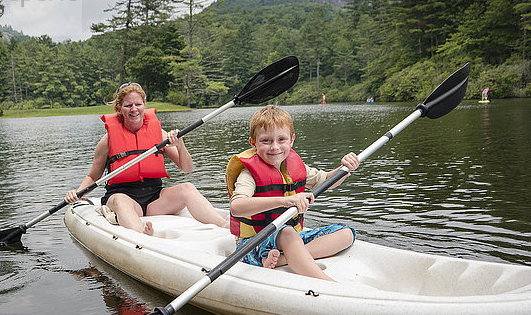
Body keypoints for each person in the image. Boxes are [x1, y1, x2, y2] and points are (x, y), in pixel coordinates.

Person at [65, 82, 229, 235]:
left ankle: (224, 226)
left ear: (144, 105)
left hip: (154, 201)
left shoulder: (160, 134)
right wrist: (78, 193)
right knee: (119, 200)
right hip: (125, 199)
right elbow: (94, 176)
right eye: (128, 105)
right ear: (119, 108)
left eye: (138, 104)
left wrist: (180, 145)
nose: (134, 109)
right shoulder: (107, 140)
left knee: (187, 188)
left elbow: (187, 168)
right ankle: (141, 236)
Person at [226, 105, 360, 282]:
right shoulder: (248, 174)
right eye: (266, 141)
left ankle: (283, 259)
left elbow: (326, 181)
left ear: (291, 140)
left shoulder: (295, 167)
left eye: (281, 139)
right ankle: (328, 284)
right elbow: (237, 207)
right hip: (254, 244)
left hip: (289, 239)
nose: (275, 147)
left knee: (346, 233)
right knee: (288, 232)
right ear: (253, 143)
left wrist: (344, 169)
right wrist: (285, 201)